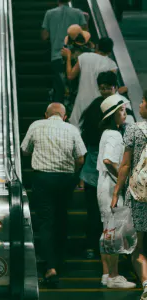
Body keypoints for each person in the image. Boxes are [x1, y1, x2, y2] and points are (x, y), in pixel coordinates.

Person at [21, 103, 87, 286]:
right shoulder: (72, 129)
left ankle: (50, 266)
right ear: (64, 116)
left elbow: (24, 150)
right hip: (65, 179)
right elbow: (81, 158)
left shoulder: (36, 125)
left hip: (42, 178)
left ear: (46, 115)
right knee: (62, 217)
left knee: (46, 221)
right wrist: (73, 174)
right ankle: (60, 260)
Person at [80, 71, 121, 260]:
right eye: (102, 87)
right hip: (104, 173)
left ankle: (93, 248)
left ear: (115, 87)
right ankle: (107, 251)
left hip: (91, 173)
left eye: (108, 87)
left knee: (96, 213)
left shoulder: (95, 108)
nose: (104, 91)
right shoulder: (113, 110)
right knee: (106, 214)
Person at [97, 94, 136, 289]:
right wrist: (123, 178)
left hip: (105, 186)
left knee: (107, 231)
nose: (125, 113)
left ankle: (106, 275)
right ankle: (114, 276)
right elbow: (108, 160)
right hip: (111, 187)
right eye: (121, 111)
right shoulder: (114, 135)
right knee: (113, 232)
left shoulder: (107, 133)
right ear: (112, 115)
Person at [112, 90, 147, 299]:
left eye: (142, 101)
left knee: (138, 246)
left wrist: (116, 193)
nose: (140, 105)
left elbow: (124, 165)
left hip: (139, 194)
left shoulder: (134, 129)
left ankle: (146, 284)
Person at [61, 37, 118, 128]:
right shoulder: (112, 65)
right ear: (110, 51)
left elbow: (70, 75)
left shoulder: (84, 57)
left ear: (97, 46)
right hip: (100, 103)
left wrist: (68, 57)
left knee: (78, 129)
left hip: (82, 101)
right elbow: (112, 87)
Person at [41, 0, 87, 103]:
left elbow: (44, 36)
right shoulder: (78, 13)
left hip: (57, 56)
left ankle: (58, 112)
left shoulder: (50, 13)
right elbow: (85, 34)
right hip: (75, 58)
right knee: (75, 88)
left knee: (59, 88)